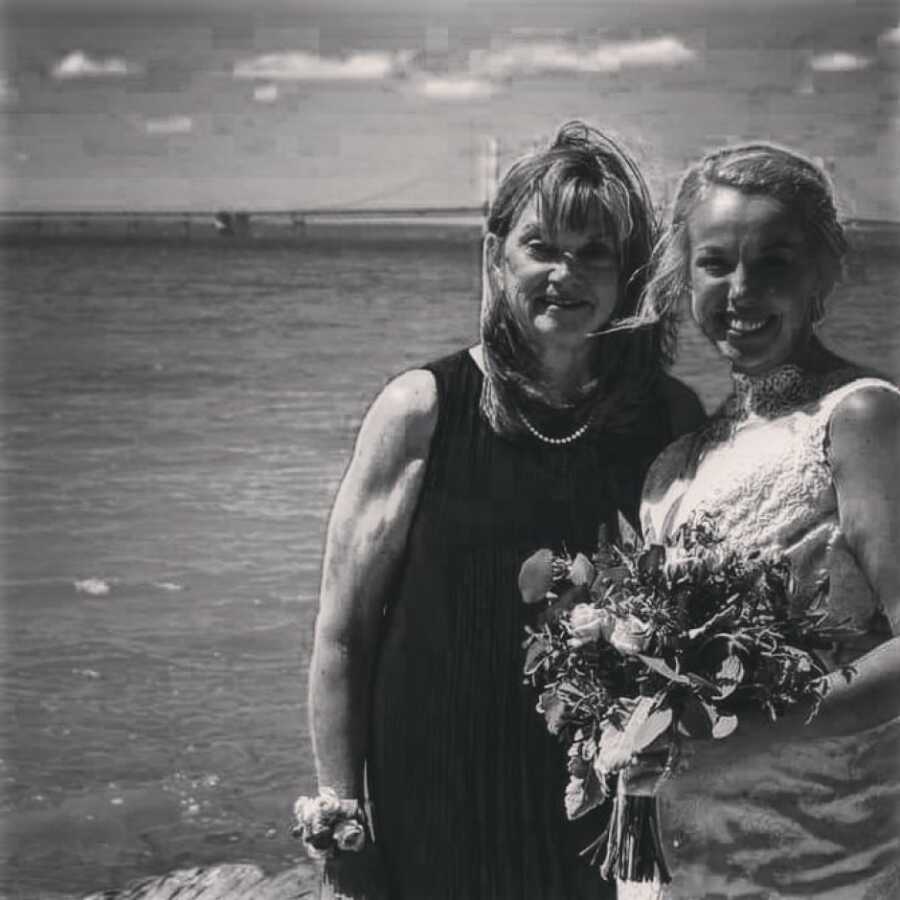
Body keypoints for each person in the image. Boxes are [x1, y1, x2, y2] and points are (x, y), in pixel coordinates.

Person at [303, 121, 705, 900]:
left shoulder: (668, 418)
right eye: (542, 246)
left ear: (628, 274)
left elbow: (680, 622)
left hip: (599, 788)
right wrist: (341, 817)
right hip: (434, 776)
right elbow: (343, 632)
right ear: (496, 256)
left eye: (596, 253)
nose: (567, 273)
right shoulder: (421, 408)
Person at [626, 142, 900, 898]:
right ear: (685, 277)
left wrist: (730, 730)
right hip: (684, 853)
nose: (741, 290)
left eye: (774, 262)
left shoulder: (862, 417)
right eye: (715, 262)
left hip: (819, 852)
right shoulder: (679, 457)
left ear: (824, 272)